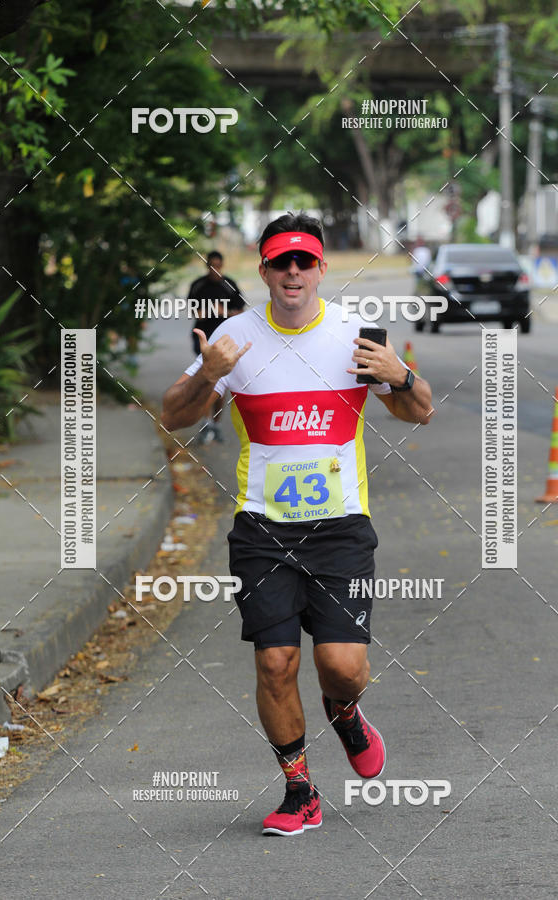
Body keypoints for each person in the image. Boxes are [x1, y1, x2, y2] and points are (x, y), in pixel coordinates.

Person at [162, 212, 433, 837]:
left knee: (342, 666)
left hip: (339, 528)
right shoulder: (233, 339)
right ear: (262, 271)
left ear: (320, 270)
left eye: (303, 262)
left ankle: (344, 711)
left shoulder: (356, 338)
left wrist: (402, 375)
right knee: (276, 663)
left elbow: (420, 413)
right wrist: (207, 375)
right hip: (262, 530)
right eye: (280, 262)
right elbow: (173, 415)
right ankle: (299, 790)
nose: (292, 272)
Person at [187, 250, 246, 443]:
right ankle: (205, 424)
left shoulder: (230, 285)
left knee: (222, 384)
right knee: (207, 380)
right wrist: (204, 312)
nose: (215, 270)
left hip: (226, 340)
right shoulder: (198, 285)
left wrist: (224, 312)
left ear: (222, 265)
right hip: (204, 340)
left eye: (218, 266)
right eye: (212, 266)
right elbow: (193, 311)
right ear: (207, 267)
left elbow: (241, 313)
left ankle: (216, 424)